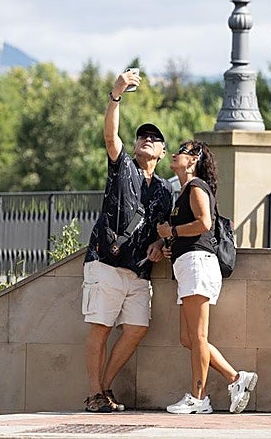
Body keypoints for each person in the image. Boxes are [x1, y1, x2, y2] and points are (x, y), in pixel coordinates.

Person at [82, 69, 173, 413]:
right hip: (105, 261)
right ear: (134, 146)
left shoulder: (165, 190)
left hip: (139, 272)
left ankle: (102, 389)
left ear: (162, 152)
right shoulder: (123, 166)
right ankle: (95, 394)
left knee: (136, 328)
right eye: (142, 137)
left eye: (154, 138)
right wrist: (115, 95)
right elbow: (110, 136)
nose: (146, 139)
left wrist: (160, 248)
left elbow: (163, 233)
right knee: (101, 328)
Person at [158, 140, 257, 415]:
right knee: (188, 338)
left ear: (194, 160)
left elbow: (204, 223)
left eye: (183, 151)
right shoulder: (184, 192)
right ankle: (236, 378)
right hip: (189, 265)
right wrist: (171, 244)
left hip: (197, 264)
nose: (176, 153)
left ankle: (198, 397)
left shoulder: (196, 186)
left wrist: (173, 233)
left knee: (198, 336)